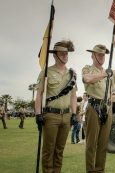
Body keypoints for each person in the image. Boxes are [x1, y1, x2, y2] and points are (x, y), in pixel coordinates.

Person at [34, 40, 78, 173]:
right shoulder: (46, 72)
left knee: (60, 150)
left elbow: (73, 96)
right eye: (62, 53)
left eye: (66, 53)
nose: (65, 56)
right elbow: (39, 95)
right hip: (51, 115)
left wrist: (74, 114)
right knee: (49, 150)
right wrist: (38, 114)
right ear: (55, 55)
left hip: (66, 116)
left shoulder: (72, 74)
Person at [82, 44, 114, 173]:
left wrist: (111, 106)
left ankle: (100, 170)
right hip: (94, 107)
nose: (102, 57)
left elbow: (113, 92)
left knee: (103, 144)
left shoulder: (108, 73)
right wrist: (104, 74)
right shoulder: (88, 68)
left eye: (103, 55)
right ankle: (91, 170)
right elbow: (87, 79)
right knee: (91, 143)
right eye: (99, 54)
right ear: (93, 55)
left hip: (107, 108)